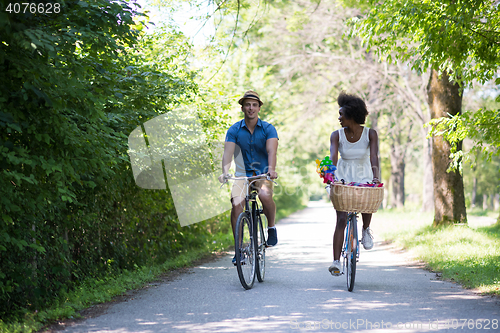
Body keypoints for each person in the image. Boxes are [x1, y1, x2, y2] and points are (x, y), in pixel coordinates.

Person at [218, 90, 279, 265]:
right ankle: (238, 250)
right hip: (241, 175)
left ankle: (271, 227)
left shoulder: (268, 129)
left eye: (254, 105)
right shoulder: (234, 130)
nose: (251, 108)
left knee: (265, 196)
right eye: (247, 105)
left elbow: (271, 151)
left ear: (259, 107)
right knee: (236, 202)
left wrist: (272, 170)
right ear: (242, 108)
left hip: (262, 173)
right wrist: (224, 171)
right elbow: (228, 153)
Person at [328, 92, 381, 276]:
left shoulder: (370, 134)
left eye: (341, 114)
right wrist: (330, 175)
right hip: (343, 174)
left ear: (351, 115)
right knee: (341, 218)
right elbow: (333, 157)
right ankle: (336, 261)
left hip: (364, 172)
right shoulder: (336, 135)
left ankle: (366, 229)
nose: (339, 117)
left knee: (368, 199)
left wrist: (376, 177)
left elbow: (374, 157)